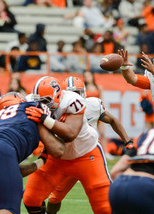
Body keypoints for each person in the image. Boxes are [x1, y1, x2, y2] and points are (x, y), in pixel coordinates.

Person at [23, 76, 112, 214]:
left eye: (45, 101)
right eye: (38, 102)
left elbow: (70, 134)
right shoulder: (30, 102)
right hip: (56, 157)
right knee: (31, 198)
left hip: (86, 153)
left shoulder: (72, 101)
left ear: (58, 97)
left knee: (105, 208)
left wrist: (44, 119)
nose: (42, 106)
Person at [45, 76, 133, 214]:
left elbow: (112, 120)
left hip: (90, 155)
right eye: (70, 93)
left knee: (105, 193)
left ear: (84, 93)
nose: (74, 99)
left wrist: (128, 141)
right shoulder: (56, 109)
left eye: (77, 93)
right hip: (67, 156)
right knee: (55, 198)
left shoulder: (93, 105)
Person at [0, 92, 65, 214]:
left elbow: (11, 171)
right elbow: (58, 151)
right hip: (0, 149)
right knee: (9, 210)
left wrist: (41, 161)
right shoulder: (31, 108)